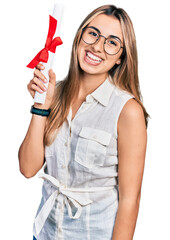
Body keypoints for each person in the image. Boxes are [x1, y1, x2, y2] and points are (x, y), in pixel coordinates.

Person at [18, 4, 149, 240]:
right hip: (45, 233)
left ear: (121, 57)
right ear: (80, 36)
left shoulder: (127, 111)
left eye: (112, 42)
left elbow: (131, 198)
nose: (97, 46)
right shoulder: (54, 94)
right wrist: (40, 107)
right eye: (93, 33)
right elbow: (28, 169)